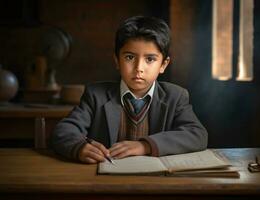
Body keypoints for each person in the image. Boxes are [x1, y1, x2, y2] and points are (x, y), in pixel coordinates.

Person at [50, 16, 208, 164]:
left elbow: (197, 135)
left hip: (156, 182)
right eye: (129, 57)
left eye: (150, 59)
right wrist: (78, 147)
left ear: (163, 65)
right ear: (117, 60)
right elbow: (63, 131)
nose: (139, 68)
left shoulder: (175, 96)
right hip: (105, 180)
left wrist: (144, 146)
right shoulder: (96, 95)